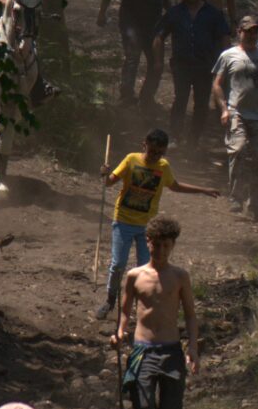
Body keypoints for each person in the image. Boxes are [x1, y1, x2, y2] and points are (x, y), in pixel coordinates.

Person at [91, 129, 217, 322]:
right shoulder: (131, 160)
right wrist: (104, 174)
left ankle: (142, 305)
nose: (155, 156)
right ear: (144, 145)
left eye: (160, 153)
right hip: (123, 221)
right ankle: (110, 300)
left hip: (146, 226)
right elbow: (109, 182)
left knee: (145, 268)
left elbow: (174, 186)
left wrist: (202, 190)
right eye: (152, 152)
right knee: (118, 264)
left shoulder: (163, 167)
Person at [114, 217, 199, 409]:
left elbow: (190, 314)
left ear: (172, 245)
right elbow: (125, 312)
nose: (160, 250)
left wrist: (193, 348)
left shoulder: (180, 276)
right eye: (155, 244)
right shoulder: (135, 276)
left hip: (172, 352)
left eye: (165, 245)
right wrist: (120, 332)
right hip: (143, 352)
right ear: (147, 242)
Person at [212, 13, 258, 219]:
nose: (252, 35)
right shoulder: (228, 55)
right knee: (238, 150)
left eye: (255, 32)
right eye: (248, 31)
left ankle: (256, 205)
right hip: (237, 113)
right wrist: (224, 109)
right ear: (239, 32)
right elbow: (216, 84)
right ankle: (235, 196)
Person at [159, 0, 233, 149]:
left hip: (205, 65)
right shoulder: (175, 13)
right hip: (181, 65)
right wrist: (156, 61)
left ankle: (194, 139)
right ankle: (175, 137)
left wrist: (224, 63)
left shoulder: (214, 13)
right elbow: (159, 36)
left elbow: (224, 37)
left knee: (201, 103)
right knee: (180, 100)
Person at [98, 0, 171, 106]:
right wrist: (102, 13)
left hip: (154, 25)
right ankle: (126, 95)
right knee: (133, 57)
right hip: (131, 24)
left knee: (156, 62)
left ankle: (147, 96)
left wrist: (174, 17)